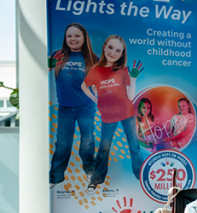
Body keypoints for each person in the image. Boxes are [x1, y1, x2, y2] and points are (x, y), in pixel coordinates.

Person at [81, 35, 144, 192]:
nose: (113, 53)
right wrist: (95, 99)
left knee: (134, 145)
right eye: (110, 48)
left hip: (127, 113)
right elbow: (84, 86)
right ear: (104, 47)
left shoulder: (124, 70)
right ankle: (96, 179)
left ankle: (141, 175)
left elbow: (130, 97)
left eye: (118, 50)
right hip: (108, 116)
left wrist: (133, 79)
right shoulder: (96, 71)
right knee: (104, 147)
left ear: (122, 54)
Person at [48, 23, 98, 188]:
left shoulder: (92, 58)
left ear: (84, 38)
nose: (73, 39)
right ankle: (55, 177)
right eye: (69, 36)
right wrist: (49, 64)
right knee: (62, 143)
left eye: (77, 36)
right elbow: (42, 71)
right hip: (65, 109)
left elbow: (99, 83)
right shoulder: (58, 55)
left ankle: (90, 170)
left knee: (88, 141)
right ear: (65, 38)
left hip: (86, 107)